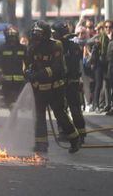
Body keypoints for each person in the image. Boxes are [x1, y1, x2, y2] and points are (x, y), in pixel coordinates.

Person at [25, 21, 80, 154]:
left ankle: (74, 139)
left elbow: (57, 67)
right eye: (34, 33)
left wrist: (39, 74)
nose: (36, 36)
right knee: (39, 116)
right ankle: (41, 144)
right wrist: (28, 73)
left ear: (45, 34)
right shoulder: (32, 47)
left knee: (59, 114)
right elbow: (27, 64)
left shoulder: (56, 45)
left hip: (55, 88)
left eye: (38, 33)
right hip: (39, 88)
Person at [52, 21, 86, 143]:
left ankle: (66, 133)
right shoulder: (74, 46)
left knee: (61, 109)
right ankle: (81, 134)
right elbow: (79, 66)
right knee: (75, 108)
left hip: (63, 83)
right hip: (74, 82)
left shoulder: (58, 47)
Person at [0, 25, 27, 108]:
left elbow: (29, 63)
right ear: (6, 37)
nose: (12, 39)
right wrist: (0, 74)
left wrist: (28, 76)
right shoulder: (1, 48)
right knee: (9, 103)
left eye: (14, 37)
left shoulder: (23, 49)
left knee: (18, 104)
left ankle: (16, 116)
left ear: (17, 37)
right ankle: (14, 116)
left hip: (20, 83)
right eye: (10, 37)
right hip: (6, 82)